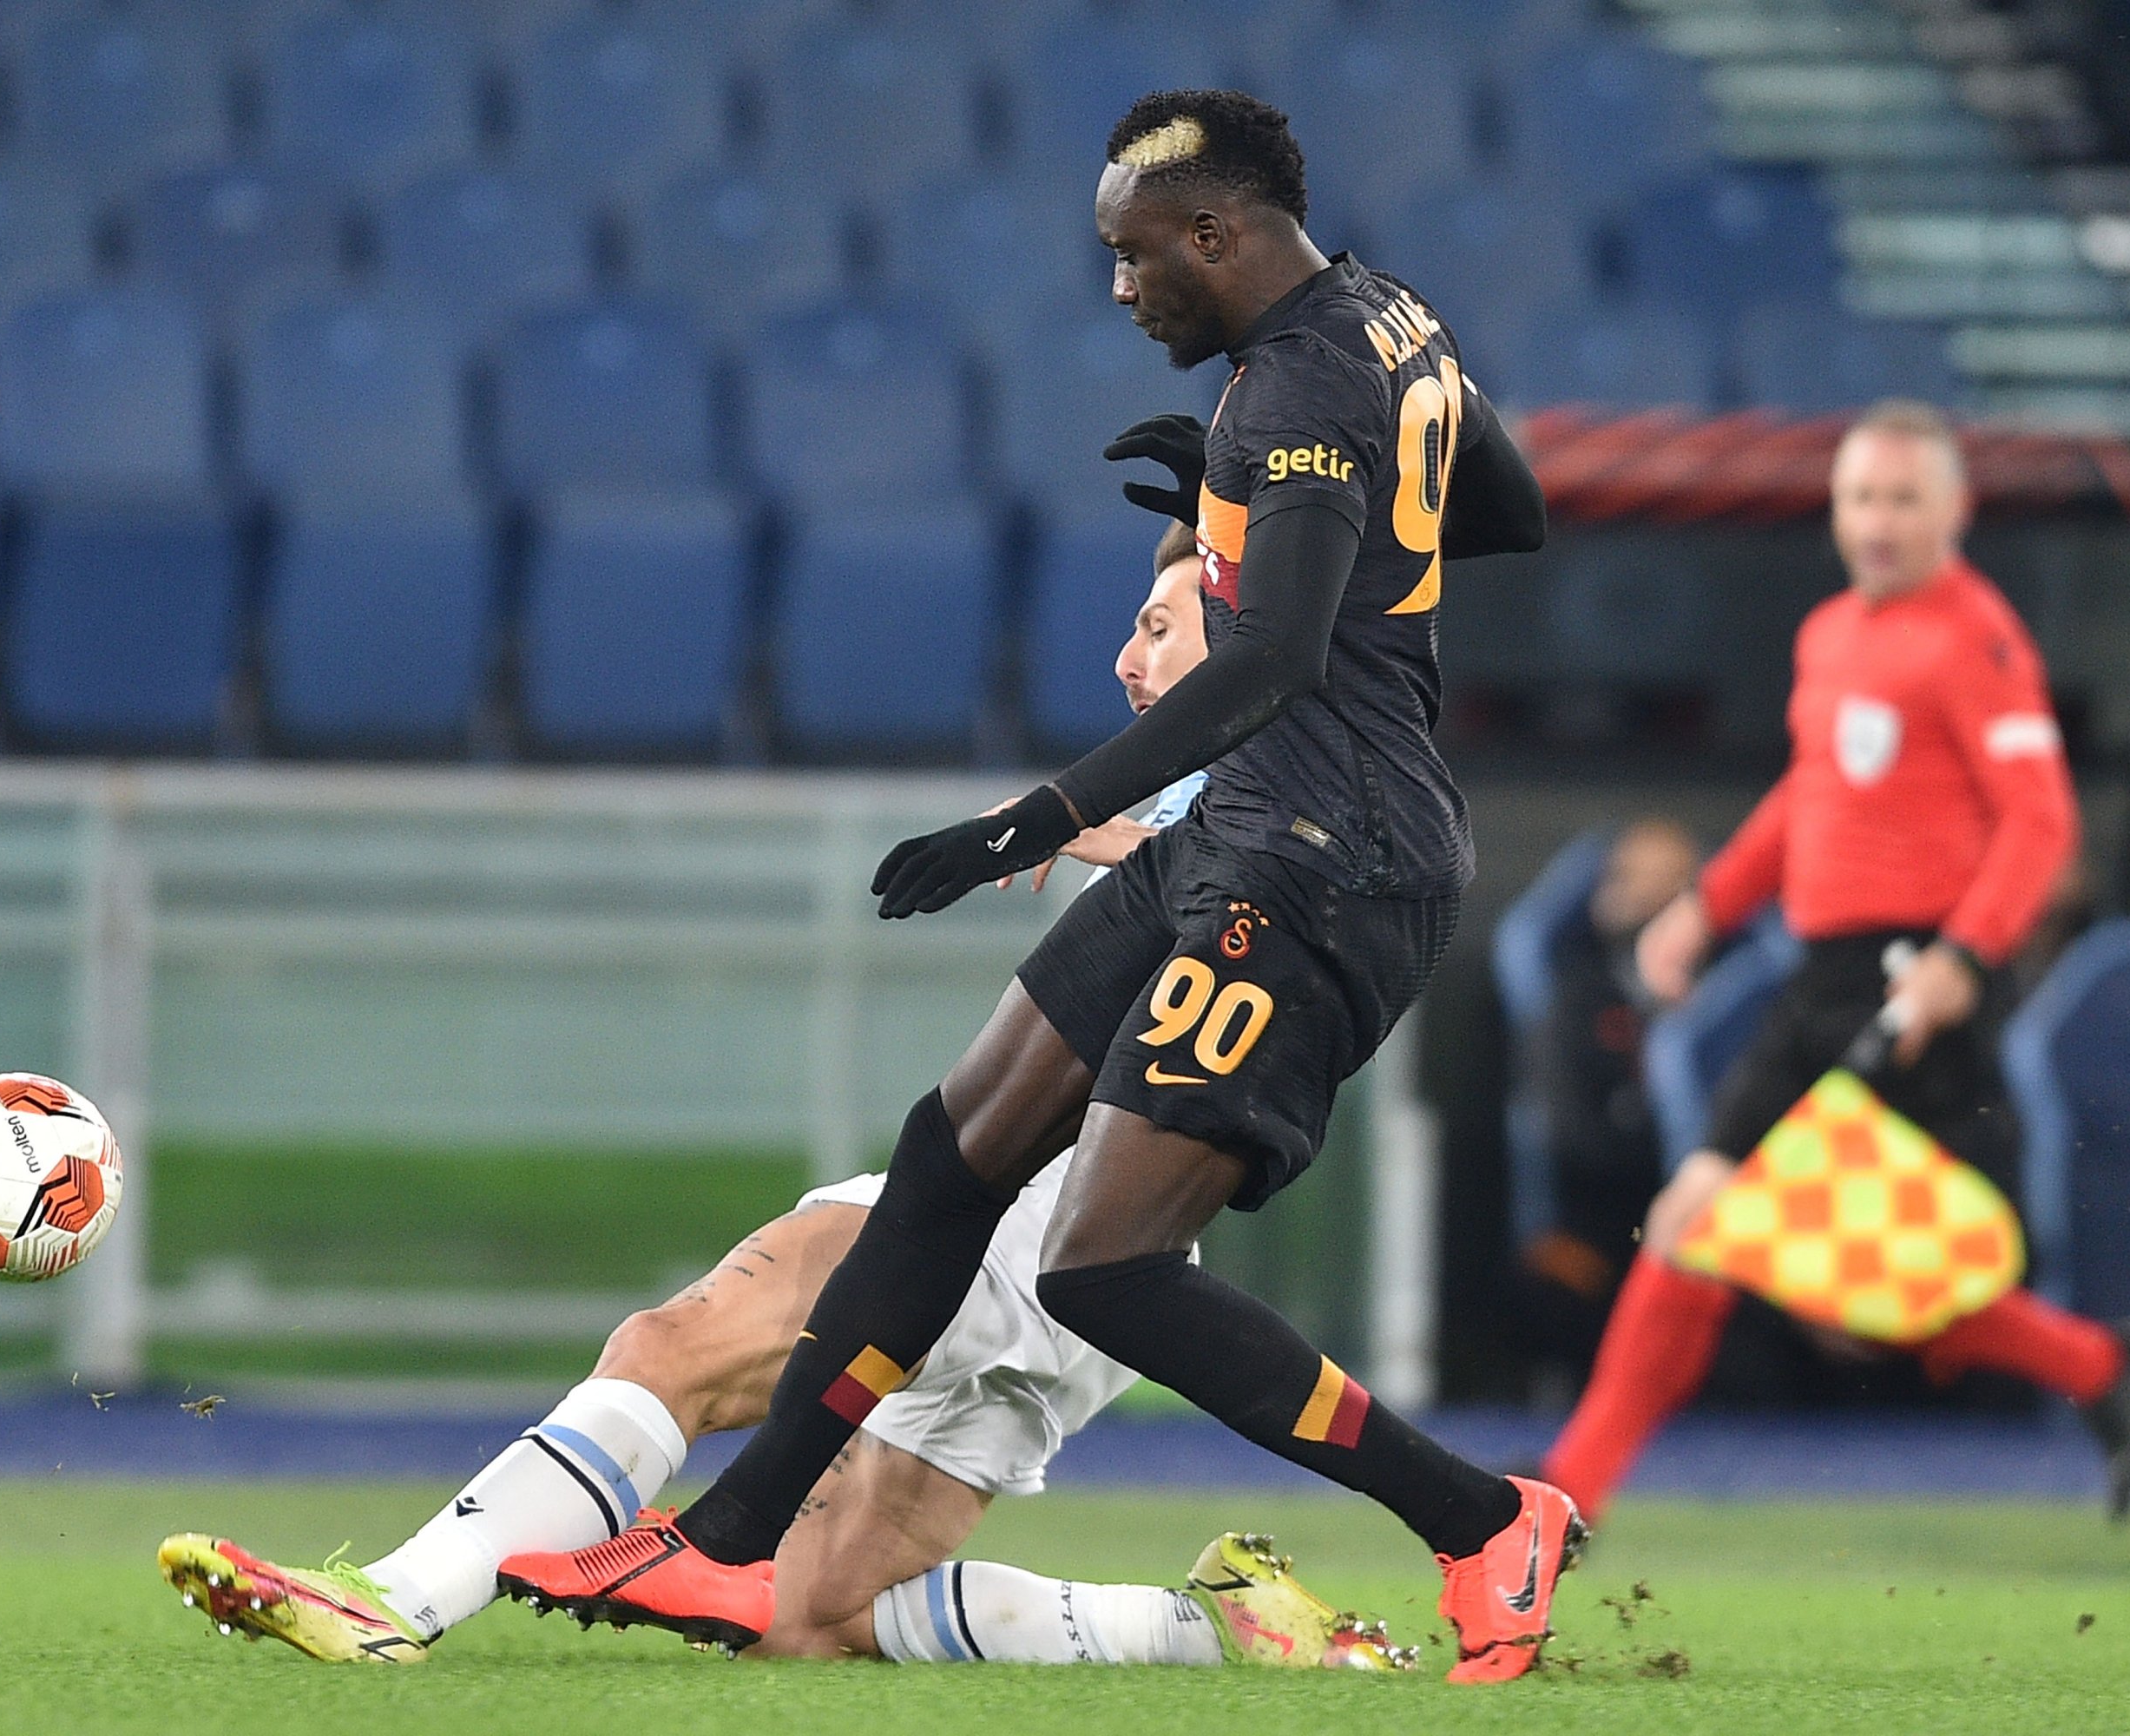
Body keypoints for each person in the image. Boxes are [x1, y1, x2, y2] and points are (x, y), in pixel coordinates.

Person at [503, 89, 1568, 1685]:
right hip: (1253, 834)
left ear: (1217, 236)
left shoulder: (1292, 380)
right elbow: (1504, 507)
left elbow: (1273, 657)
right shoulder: (1387, 318)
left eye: (1137, 258)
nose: (1124, 289)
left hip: (1321, 855)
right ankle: (729, 1547)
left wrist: (1035, 819)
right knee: (952, 1156)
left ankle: (1483, 1520)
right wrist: (1254, 522)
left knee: (1105, 1270)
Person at [158, 514, 1412, 1675]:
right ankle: (1222, 1633)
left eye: (1156, 625)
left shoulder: (1257, 791)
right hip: (1095, 1284)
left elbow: (1276, 891)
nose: (1126, 658)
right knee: (817, 1613)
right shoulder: (1243, 790)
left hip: (1022, 1225)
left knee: (675, 1348)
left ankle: (392, 1600)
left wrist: (1083, 831)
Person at [1539, 399, 2130, 1522]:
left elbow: (2039, 825)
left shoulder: (1975, 638)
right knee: (1824, 1271)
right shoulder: (1832, 634)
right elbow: (1810, 800)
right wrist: (1706, 909)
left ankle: (1564, 1495)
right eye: (1861, 497)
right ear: (1834, 508)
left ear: (1955, 508)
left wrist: (1962, 961)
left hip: (1908, 989)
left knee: (1741, 1227)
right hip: (1820, 980)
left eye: (1903, 498)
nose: (1879, 521)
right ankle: (2104, 1371)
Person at [1515, 820, 1701, 1377]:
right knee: (1556, 1290)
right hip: (1599, 1210)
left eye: (1657, 882)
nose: (1631, 894)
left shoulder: (1725, 992)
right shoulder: (1573, 987)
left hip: (1707, 1213)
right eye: (1622, 877)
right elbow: (1568, 1130)